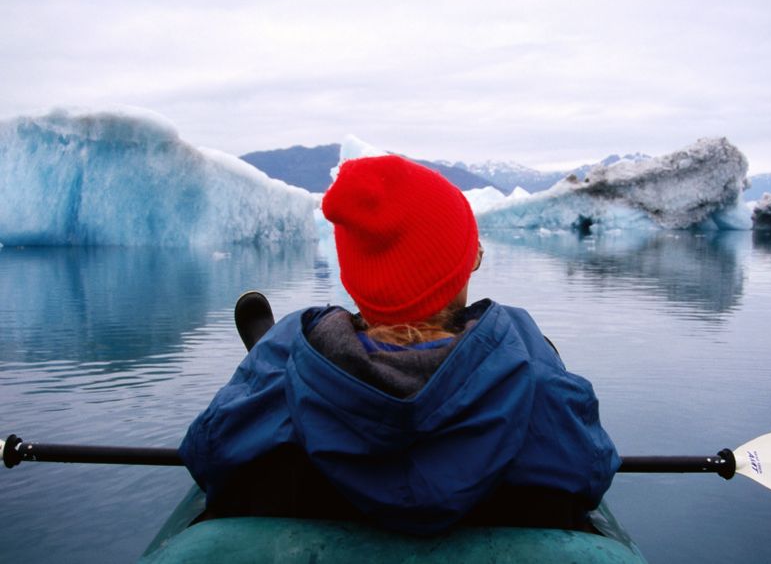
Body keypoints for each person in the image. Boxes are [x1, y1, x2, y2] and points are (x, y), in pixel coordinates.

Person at [179, 154, 620, 534]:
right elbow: (590, 473)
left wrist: (277, 356)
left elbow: (208, 454)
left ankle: (281, 353)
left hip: (300, 450)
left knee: (287, 347)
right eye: (473, 256)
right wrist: (537, 356)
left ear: (358, 282)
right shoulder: (538, 383)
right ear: (459, 274)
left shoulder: (285, 369)